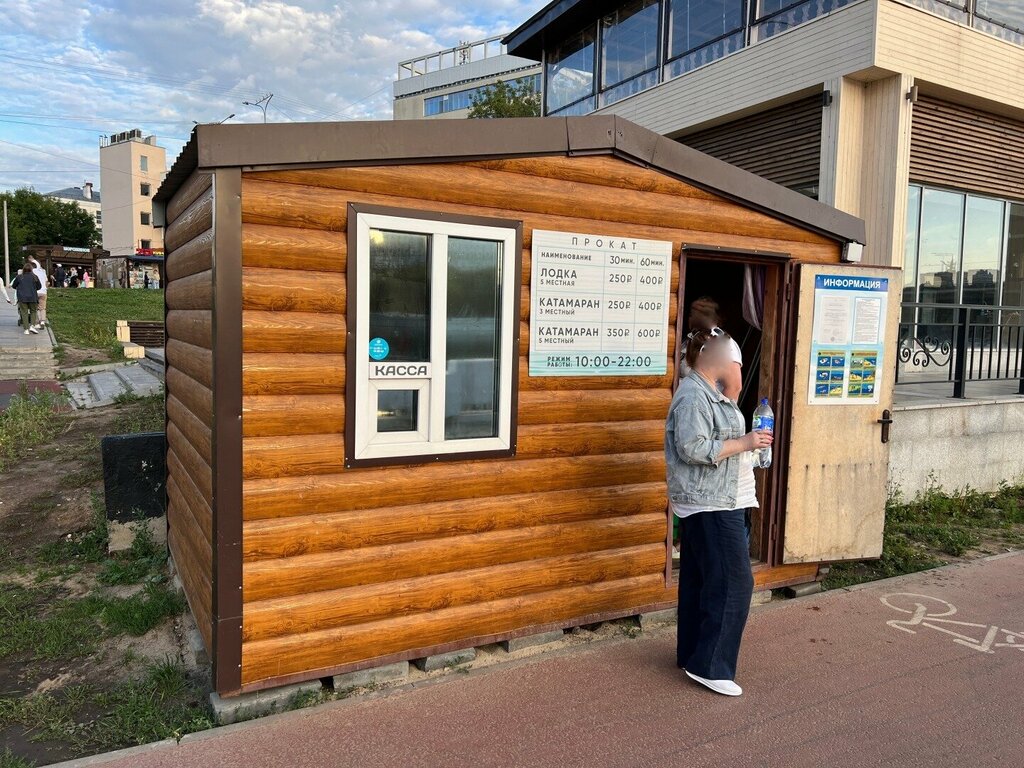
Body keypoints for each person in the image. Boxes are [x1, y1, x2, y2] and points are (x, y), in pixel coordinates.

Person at [666, 328, 773, 698]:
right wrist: (744, 442)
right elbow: (692, 447)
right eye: (734, 362)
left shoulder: (709, 392)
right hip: (711, 502)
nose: (737, 369)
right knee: (735, 583)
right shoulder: (694, 395)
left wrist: (748, 446)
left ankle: (692, 654)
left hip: (718, 497)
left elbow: (720, 444)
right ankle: (710, 666)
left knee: (703, 578)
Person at [679, 297, 742, 401]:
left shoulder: (723, 342)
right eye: (692, 313)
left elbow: (734, 387)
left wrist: (720, 410)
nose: (695, 317)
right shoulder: (689, 340)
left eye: (702, 313)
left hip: (704, 406)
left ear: (715, 318)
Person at [11, 264, 42, 335]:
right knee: (33, 311)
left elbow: (13, 286)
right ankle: (32, 326)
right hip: (33, 297)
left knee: (24, 312)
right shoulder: (35, 277)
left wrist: (20, 288)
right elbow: (39, 287)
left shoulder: (19, 277)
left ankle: (26, 329)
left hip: (22, 298)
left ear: (23, 269)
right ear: (31, 269)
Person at [29, 258, 48, 327]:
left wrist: (32, 260)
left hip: (35, 292)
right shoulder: (43, 271)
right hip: (43, 292)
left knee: (35, 308)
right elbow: (46, 282)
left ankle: (37, 322)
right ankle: (42, 321)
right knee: (42, 308)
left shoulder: (33, 271)